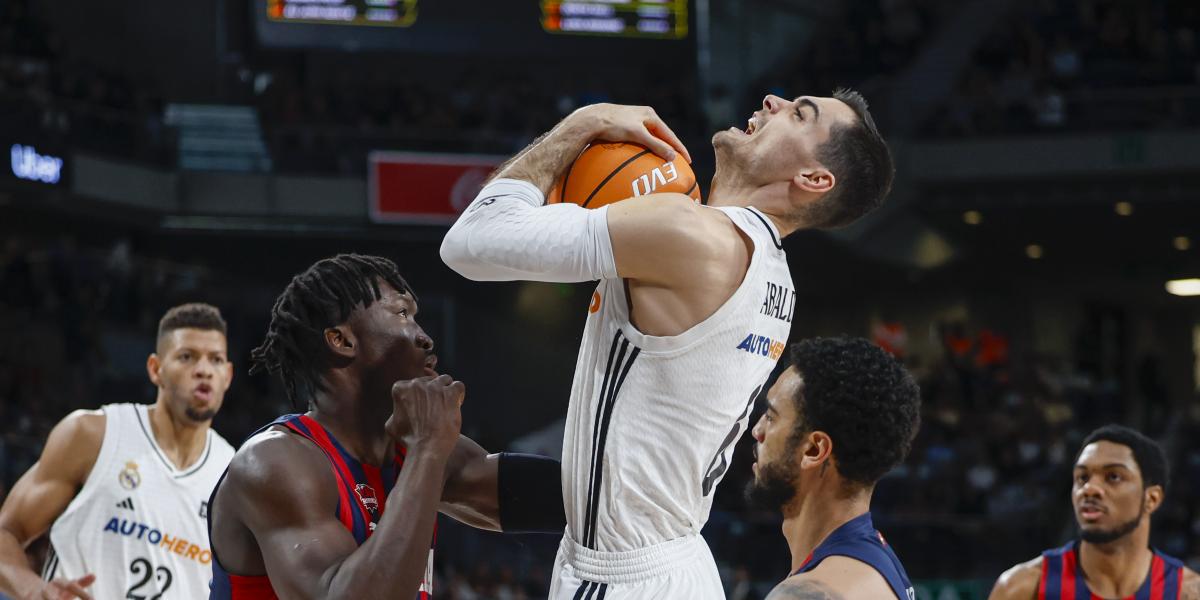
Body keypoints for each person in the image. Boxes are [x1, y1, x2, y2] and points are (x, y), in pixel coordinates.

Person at [440, 92, 894, 598]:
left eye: (799, 114)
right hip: (670, 560)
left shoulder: (696, 236)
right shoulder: (773, 277)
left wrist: (582, 124)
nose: (773, 100)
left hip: (624, 575)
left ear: (813, 179)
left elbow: (470, 242)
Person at [207, 254, 564, 599]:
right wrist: (427, 449)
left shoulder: (413, 450)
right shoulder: (273, 462)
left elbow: (565, 501)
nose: (425, 337)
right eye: (402, 313)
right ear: (342, 341)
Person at [0, 303, 237, 600]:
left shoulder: (233, 474)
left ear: (228, 375)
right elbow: (7, 532)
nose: (204, 370)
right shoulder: (92, 434)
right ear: (155, 369)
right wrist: (33, 589)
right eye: (187, 357)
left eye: (216, 360)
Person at [749, 337, 920, 600]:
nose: (757, 430)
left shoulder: (806, 594)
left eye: (771, 417)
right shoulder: (875, 564)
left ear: (814, 450)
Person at [989, 425, 1200, 600]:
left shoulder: (1188, 593)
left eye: (1113, 476)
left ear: (1151, 499)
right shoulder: (1021, 588)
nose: (1089, 489)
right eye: (1082, 477)